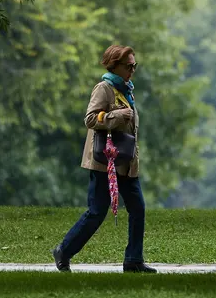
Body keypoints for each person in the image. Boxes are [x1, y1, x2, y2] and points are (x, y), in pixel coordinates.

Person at [52, 45, 157, 274]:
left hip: (126, 161)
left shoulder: (127, 89)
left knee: (138, 208)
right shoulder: (104, 88)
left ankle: (133, 260)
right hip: (105, 162)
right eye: (128, 66)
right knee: (97, 211)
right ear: (114, 65)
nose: (132, 70)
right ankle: (64, 251)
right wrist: (116, 115)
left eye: (134, 66)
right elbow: (90, 119)